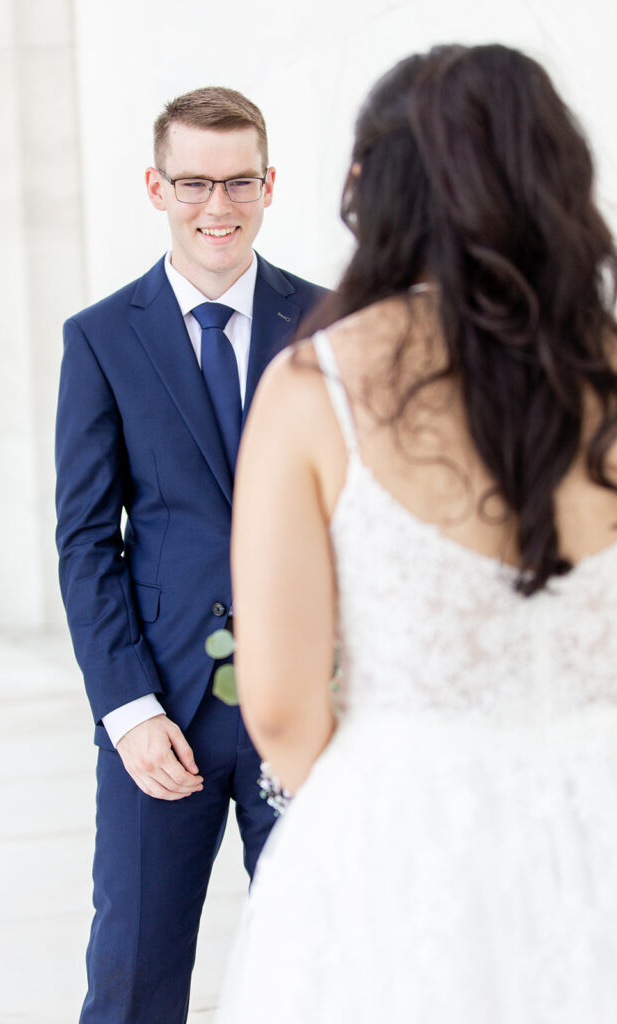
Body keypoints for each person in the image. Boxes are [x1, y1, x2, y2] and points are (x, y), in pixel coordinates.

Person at [216, 44, 617, 1022]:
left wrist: (382, 814)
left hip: (406, 840)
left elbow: (276, 706)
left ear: (371, 188)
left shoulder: (316, 387)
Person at [55, 86, 325, 1024]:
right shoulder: (97, 338)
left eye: (239, 180)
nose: (219, 206)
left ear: (269, 183)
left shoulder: (333, 324)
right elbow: (86, 538)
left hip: (306, 706)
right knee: (133, 969)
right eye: (195, 183)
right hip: (159, 706)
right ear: (156, 186)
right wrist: (124, 709)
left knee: (320, 964)